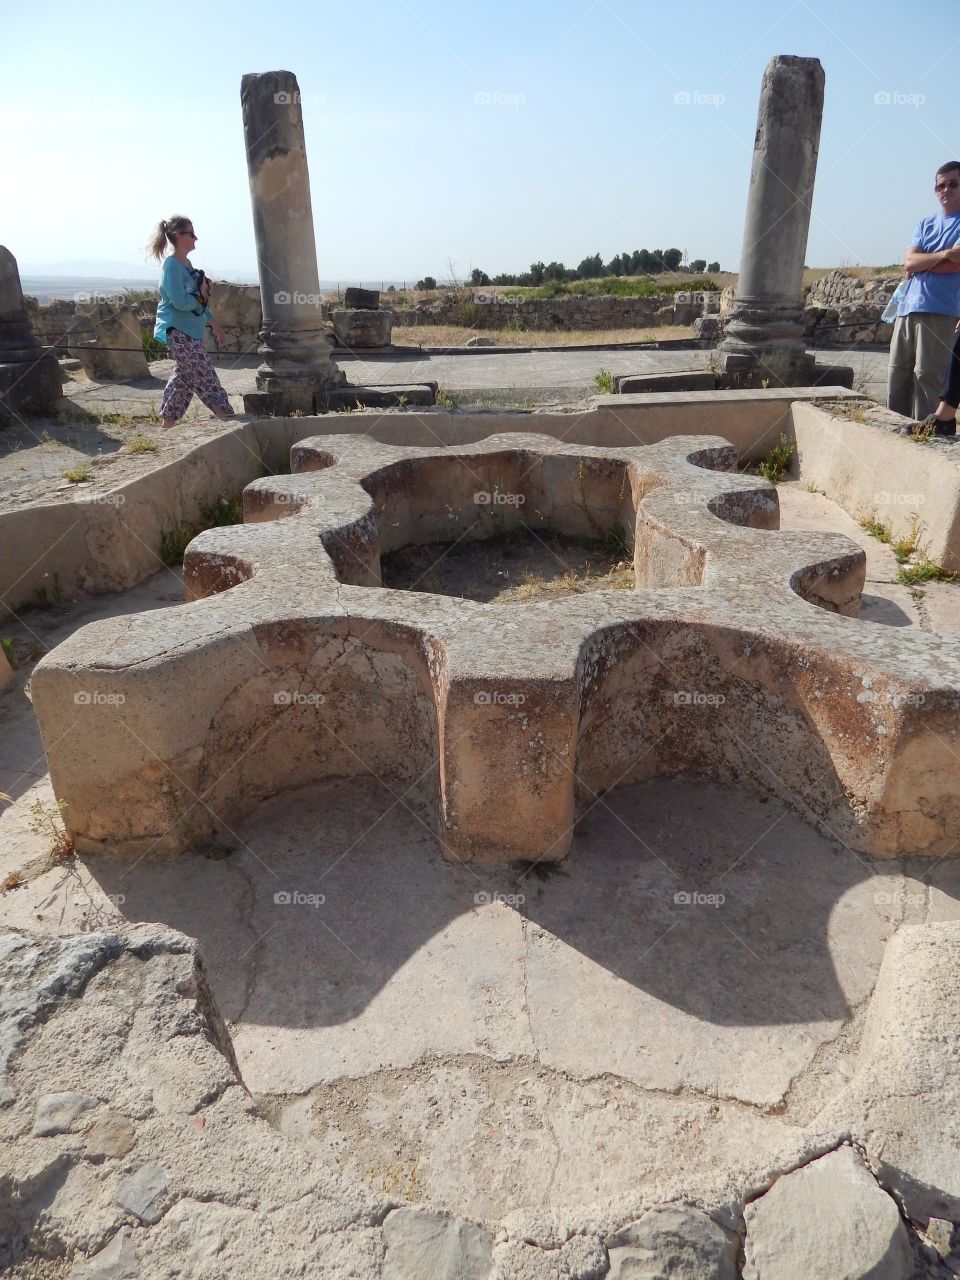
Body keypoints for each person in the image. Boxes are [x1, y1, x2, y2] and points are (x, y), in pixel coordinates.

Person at [887, 162, 960, 431]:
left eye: (953, 184)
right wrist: (944, 254)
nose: (945, 189)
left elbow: (954, 265)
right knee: (897, 372)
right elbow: (909, 262)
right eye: (940, 185)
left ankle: (928, 432)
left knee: (927, 375)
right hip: (908, 307)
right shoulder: (925, 223)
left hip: (942, 309)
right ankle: (894, 428)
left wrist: (924, 261)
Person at [147, 215, 234, 429]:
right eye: (191, 234)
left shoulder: (186, 264)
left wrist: (214, 324)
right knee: (204, 375)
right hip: (178, 332)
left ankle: (167, 425)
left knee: (183, 380)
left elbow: (197, 302)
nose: (196, 238)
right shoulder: (172, 266)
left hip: (189, 332)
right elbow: (181, 302)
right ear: (179, 236)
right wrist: (201, 294)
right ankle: (226, 415)